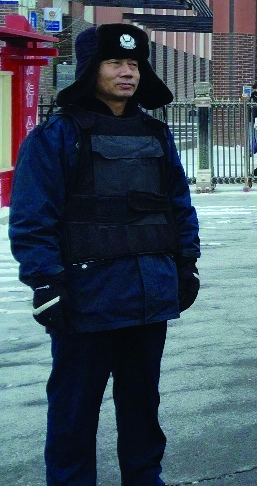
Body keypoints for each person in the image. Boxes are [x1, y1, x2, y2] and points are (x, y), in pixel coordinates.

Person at [10, 24, 200, 485]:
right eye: (115, 62)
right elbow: (33, 217)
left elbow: (178, 206)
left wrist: (186, 264)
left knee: (142, 407)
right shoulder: (58, 135)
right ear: (89, 70)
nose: (128, 72)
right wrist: (45, 284)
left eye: (134, 64)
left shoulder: (155, 134)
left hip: (149, 294)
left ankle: (145, 478)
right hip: (85, 299)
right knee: (74, 412)